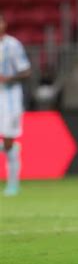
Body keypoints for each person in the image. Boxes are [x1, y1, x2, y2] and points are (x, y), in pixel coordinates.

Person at [0, 13, 31, 197]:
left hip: (10, 96)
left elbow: (26, 71)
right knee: (8, 144)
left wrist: (10, 77)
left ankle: (12, 185)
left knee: (9, 141)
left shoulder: (12, 45)